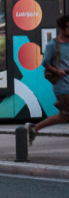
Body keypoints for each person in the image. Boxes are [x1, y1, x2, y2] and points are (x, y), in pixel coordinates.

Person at [30, 14, 69, 143]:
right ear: (62, 29)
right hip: (62, 87)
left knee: (63, 117)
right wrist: (58, 71)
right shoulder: (53, 45)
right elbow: (45, 63)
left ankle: (34, 128)